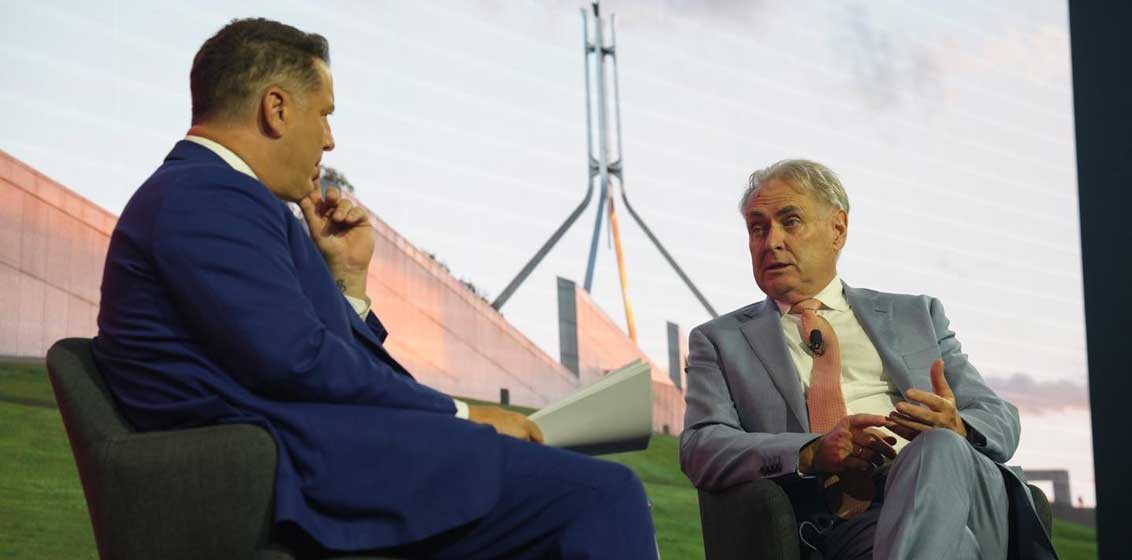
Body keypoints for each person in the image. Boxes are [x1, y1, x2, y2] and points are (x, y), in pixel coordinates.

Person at [93, 17, 656, 559]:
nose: (330, 140)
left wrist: (345, 278)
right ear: (276, 109)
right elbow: (297, 362)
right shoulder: (207, 196)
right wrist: (463, 415)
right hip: (303, 472)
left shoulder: (215, 197)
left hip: (311, 455)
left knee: (572, 499)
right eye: (324, 114)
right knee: (605, 495)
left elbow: (293, 354)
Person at [678, 159, 1056, 559]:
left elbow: (999, 417)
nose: (771, 241)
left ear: (837, 229)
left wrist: (958, 427)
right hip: (854, 525)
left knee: (938, 447)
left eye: (790, 222)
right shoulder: (721, 341)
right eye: (758, 228)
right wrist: (812, 451)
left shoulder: (916, 315)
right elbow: (702, 446)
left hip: (970, 498)